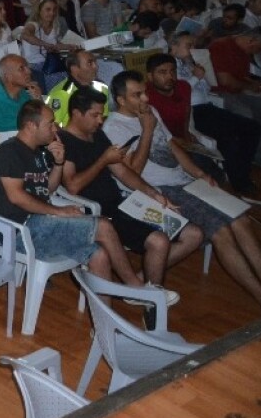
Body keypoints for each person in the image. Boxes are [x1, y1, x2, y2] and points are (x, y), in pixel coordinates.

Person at [103, 71, 261, 310]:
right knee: (220, 230)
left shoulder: (150, 113)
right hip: (157, 190)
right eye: (137, 95)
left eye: (144, 93)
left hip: (185, 182)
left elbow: (173, 147)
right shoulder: (113, 127)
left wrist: (198, 173)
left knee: (241, 220)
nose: (145, 99)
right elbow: (132, 174)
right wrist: (147, 130)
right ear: (121, 100)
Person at [0, 100, 177, 297]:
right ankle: (137, 290)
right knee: (103, 226)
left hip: (43, 226)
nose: (55, 128)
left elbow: (46, 190)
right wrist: (59, 212)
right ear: (31, 126)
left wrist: (59, 163)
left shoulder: (39, 153)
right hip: (21, 230)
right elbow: (16, 197)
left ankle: (103, 324)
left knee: (99, 255)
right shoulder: (9, 152)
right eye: (50, 124)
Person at [60, 87, 202, 296]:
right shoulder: (64, 141)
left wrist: (152, 193)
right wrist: (103, 160)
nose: (100, 121)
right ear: (76, 113)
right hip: (98, 212)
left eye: (102, 115)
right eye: (95, 115)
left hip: (122, 202)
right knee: (159, 241)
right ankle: (150, 299)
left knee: (193, 234)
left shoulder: (96, 135)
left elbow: (121, 171)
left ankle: (142, 287)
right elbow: (72, 186)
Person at [144, 53, 261, 199]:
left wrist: (186, 131)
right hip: (164, 144)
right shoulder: (146, 96)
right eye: (162, 72)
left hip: (184, 140)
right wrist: (174, 140)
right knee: (200, 173)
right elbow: (152, 128)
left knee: (216, 174)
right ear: (150, 76)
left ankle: (235, 187)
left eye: (172, 71)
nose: (169, 76)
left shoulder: (183, 87)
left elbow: (186, 109)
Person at [208, 28, 261, 169]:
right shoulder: (221, 46)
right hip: (220, 93)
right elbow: (225, 81)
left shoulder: (244, 51)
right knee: (246, 115)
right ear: (251, 41)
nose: (257, 53)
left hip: (238, 91)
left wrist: (256, 85)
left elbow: (242, 76)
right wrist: (250, 86)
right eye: (258, 48)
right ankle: (240, 160)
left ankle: (259, 154)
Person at [0, 54, 42, 132]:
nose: (29, 71)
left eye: (27, 67)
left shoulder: (25, 95)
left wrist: (38, 101)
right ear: (8, 77)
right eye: (21, 68)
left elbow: (39, 120)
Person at [45, 49, 110, 126]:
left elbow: (104, 116)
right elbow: (52, 126)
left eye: (95, 62)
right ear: (74, 69)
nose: (96, 66)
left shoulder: (102, 88)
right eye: (90, 63)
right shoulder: (62, 93)